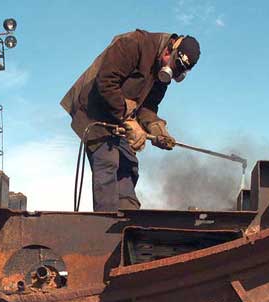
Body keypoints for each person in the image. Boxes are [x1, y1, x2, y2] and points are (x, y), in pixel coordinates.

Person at [61, 30, 200, 211]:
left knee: (129, 165)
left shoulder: (163, 75)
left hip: (118, 118)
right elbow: (106, 82)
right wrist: (128, 119)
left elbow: (148, 107)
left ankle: (128, 220)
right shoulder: (134, 44)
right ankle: (106, 226)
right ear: (169, 49)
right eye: (173, 66)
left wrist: (156, 127)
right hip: (93, 109)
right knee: (108, 161)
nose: (170, 74)